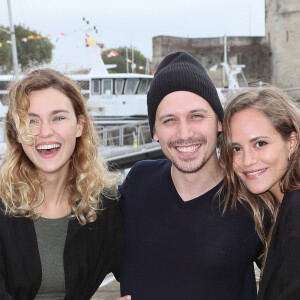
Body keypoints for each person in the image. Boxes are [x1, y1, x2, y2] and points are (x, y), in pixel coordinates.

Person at [118, 52, 265, 300]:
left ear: (219, 122)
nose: (184, 133)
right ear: (154, 131)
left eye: (196, 116)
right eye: (169, 120)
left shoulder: (251, 200)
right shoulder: (138, 182)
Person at [0, 68, 124, 300]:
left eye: (58, 117)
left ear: (79, 125)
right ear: (16, 133)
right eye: (31, 120)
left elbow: (140, 271)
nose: (45, 132)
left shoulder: (103, 205)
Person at [220, 85, 300, 299]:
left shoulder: (296, 212)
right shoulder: (279, 208)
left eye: (260, 143)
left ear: (291, 142)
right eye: (236, 148)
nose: (247, 161)